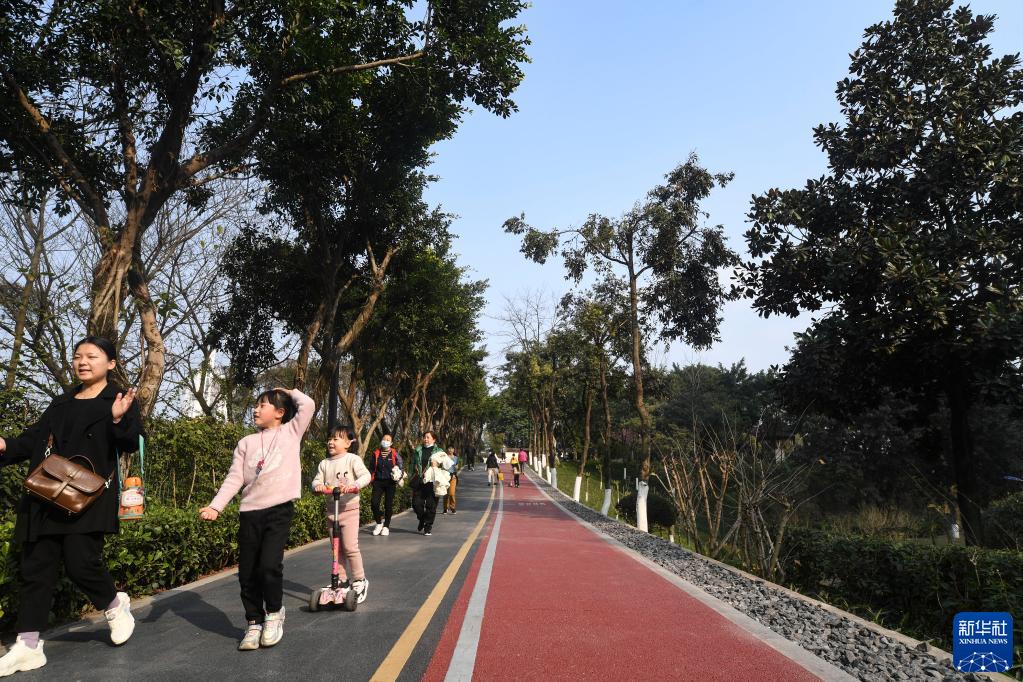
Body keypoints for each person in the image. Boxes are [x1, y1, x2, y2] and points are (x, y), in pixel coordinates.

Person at [0, 336, 143, 676]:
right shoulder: (61, 402)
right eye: (78, 356)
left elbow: (131, 443)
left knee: (81, 563)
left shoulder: (118, 399)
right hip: (46, 494)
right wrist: (5, 445)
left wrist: (118, 420)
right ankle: (28, 646)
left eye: (92, 356)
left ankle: (114, 606)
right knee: (36, 570)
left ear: (110, 363)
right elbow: (34, 439)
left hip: (87, 496)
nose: (83, 362)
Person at [199, 386, 313, 651]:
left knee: (269, 566)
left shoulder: (291, 432)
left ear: (280, 413)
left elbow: (308, 405)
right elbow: (235, 477)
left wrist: (289, 391)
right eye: (255, 405)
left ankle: (273, 614)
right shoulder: (246, 443)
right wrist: (216, 506)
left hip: (279, 510)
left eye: (262, 405)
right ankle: (254, 621)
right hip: (250, 512)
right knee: (248, 572)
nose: (255, 409)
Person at [312, 427, 371, 601]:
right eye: (330, 439)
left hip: (349, 510)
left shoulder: (352, 459)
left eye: (336, 439)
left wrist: (355, 486)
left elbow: (366, 476)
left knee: (350, 547)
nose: (331, 442)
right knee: (336, 549)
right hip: (332, 511)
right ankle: (342, 580)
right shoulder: (324, 463)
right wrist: (318, 486)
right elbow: (316, 480)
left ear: (347, 443)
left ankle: (359, 579)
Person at [409, 431, 448, 536]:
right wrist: (410, 476)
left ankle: (428, 526)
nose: (425, 439)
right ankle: (422, 519)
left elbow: (446, 465)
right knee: (416, 504)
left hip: (433, 482)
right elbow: (413, 464)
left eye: (428, 437)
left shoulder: (439, 451)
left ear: (433, 439)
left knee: (431, 506)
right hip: (420, 480)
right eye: (424, 437)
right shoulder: (418, 450)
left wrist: (437, 465)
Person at [368, 434, 402, 536]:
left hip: (390, 482)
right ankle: (379, 523)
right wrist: (369, 479)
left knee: (388, 505)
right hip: (377, 482)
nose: (385, 441)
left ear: (391, 443)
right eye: (384, 439)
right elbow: (371, 468)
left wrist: (398, 475)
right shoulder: (376, 454)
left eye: (388, 440)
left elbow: (401, 467)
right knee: (374, 503)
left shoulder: (395, 454)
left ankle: (386, 526)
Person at [442, 448, 459, 514]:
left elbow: (457, 467)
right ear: (447, 449)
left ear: (454, 450)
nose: (450, 450)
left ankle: (452, 507)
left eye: (452, 448)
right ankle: (445, 508)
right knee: (445, 493)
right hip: (445, 476)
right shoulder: (444, 457)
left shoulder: (456, 458)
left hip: (453, 477)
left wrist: (456, 469)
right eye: (449, 448)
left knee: (452, 493)